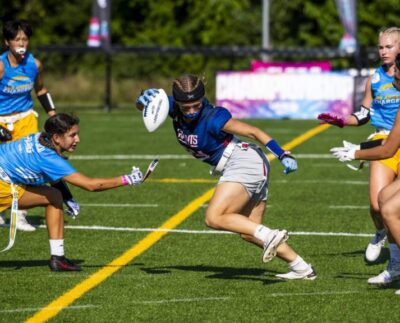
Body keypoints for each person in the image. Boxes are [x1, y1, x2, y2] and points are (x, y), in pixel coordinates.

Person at [136, 74, 316, 280]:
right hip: (247, 164)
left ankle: (271, 236)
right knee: (249, 231)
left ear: (203, 99)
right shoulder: (172, 106)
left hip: (244, 161)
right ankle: (302, 268)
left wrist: (283, 154)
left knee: (214, 218)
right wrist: (142, 99)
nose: (192, 111)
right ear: (177, 103)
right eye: (186, 107)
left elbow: (254, 132)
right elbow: (147, 107)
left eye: (196, 105)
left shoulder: (214, 117)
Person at [0, 113, 143, 271]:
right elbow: (91, 185)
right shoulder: (49, 157)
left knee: (54, 196)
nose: (77, 139)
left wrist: (68, 198)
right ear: (56, 137)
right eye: (72, 135)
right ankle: (58, 259)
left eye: (77, 134)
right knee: (54, 197)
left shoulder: (40, 138)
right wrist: (127, 179)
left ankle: (58, 258)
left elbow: (52, 176)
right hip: (2, 184)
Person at [318, 27, 400, 263]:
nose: (383, 51)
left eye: (389, 46)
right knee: (376, 205)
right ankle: (380, 232)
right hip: (382, 140)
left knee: (394, 203)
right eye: (380, 47)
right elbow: (364, 115)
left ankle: (395, 265)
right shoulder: (374, 79)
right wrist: (342, 120)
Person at [0, 19, 79, 231]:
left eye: (25, 38)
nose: (21, 43)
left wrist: (53, 115)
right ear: (7, 42)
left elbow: (41, 91)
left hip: (26, 118)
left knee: (31, 164)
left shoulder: (34, 65)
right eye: (17, 39)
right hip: (1, 121)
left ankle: (20, 214)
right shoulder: (0, 66)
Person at [331, 53, 400, 294]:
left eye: (398, 78)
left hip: (389, 145)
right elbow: (389, 143)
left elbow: (390, 148)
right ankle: (396, 265)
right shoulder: (376, 80)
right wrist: (358, 145)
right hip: (385, 140)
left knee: (391, 209)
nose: (394, 83)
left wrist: (355, 153)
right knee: (382, 200)